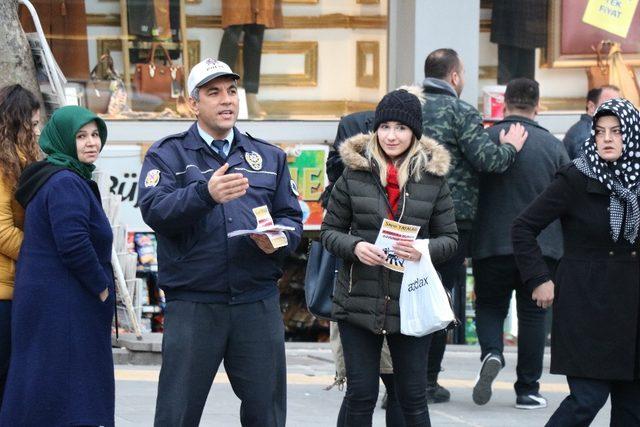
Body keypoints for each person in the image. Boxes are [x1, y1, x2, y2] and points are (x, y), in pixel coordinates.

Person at [137, 58, 302, 427]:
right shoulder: (168, 154)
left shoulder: (269, 156)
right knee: (177, 413)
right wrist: (205, 195)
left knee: (267, 412)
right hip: (195, 303)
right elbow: (155, 210)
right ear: (193, 103)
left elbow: (292, 217)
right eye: (214, 93)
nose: (226, 100)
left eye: (231, 91)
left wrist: (277, 239)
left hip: (256, 301)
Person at [321, 89, 458, 426]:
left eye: (401, 128)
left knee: (411, 396)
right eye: (385, 127)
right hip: (358, 300)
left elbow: (451, 239)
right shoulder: (354, 175)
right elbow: (328, 232)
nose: (392, 135)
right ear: (375, 130)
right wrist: (354, 247)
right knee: (360, 395)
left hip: (410, 300)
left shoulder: (433, 180)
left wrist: (423, 249)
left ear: (414, 133)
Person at [512, 97, 640, 425]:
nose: (607, 138)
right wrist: (539, 278)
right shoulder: (576, 177)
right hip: (585, 305)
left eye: (617, 131)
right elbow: (524, 227)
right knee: (587, 399)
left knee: (631, 410)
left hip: (632, 307)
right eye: (600, 131)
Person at [420, 48, 528, 403]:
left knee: (409, 297)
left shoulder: (406, 106)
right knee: (437, 301)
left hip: (405, 220)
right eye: (463, 74)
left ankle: (400, 379)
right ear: (454, 76)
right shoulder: (460, 111)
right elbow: (488, 160)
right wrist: (510, 146)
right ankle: (426, 382)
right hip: (452, 223)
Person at [0, 106, 114, 426]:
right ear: (64, 139)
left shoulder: (57, 176)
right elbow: (74, 242)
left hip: (53, 303)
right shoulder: (66, 182)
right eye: (81, 136)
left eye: (95, 134)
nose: (91, 142)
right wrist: (101, 288)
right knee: (69, 397)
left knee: (44, 389)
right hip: (66, 306)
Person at [471, 78, 569, 409]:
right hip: (541, 248)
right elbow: (569, 198)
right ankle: (527, 389)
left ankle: (492, 353)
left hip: (491, 241)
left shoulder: (486, 140)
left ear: (505, 104)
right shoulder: (553, 147)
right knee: (533, 315)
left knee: (489, 306)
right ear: (538, 105)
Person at [0, 84, 41, 408]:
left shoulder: (20, 162)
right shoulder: (3, 167)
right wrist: (41, 255)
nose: (38, 130)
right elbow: (1, 231)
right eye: (34, 124)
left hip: (15, 290)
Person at [563, 85, 621, 160]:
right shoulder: (588, 136)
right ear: (591, 107)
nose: (617, 110)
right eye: (610, 105)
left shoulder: (586, 130)